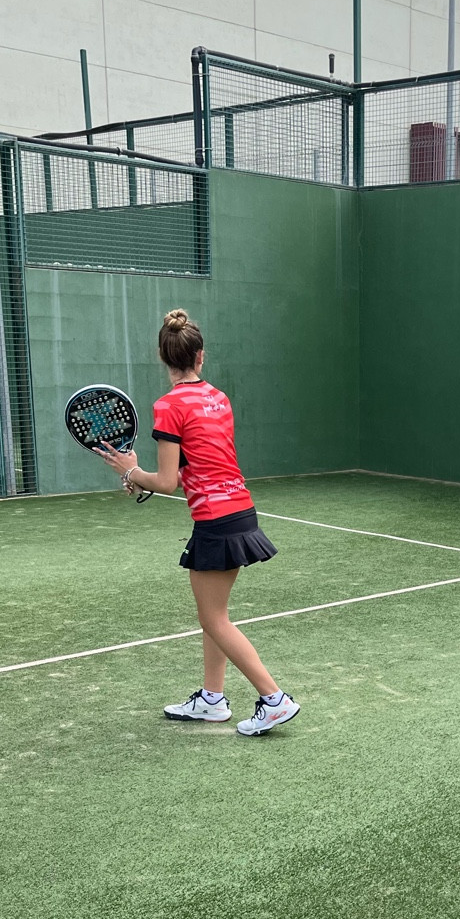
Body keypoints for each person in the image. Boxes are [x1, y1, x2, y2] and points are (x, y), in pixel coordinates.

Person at [96, 309, 300, 735]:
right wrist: (138, 475)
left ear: (161, 356)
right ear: (200, 356)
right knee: (214, 615)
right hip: (240, 510)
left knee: (214, 620)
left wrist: (131, 471)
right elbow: (196, 463)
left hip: (216, 520)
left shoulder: (168, 406)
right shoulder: (219, 398)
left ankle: (274, 699)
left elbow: (167, 482)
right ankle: (211, 699)